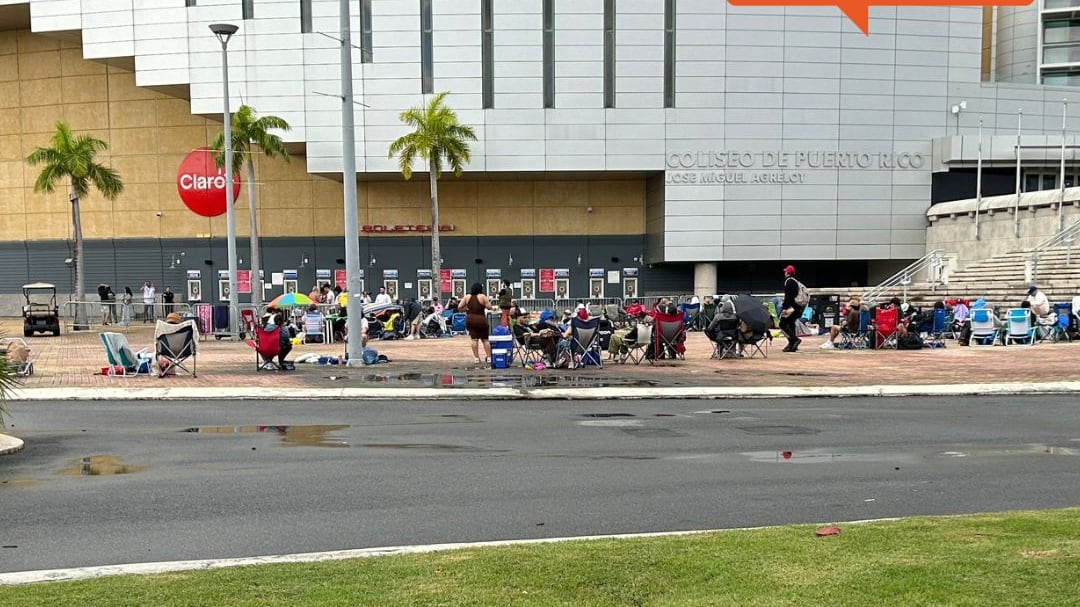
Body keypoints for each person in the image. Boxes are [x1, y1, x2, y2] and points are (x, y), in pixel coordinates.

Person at [458, 282, 493, 365]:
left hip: (470, 319)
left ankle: (476, 358)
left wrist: (467, 309)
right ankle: (489, 358)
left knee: (474, 339)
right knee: (485, 339)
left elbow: (459, 307)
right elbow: (489, 307)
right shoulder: (483, 297)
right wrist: (488, 302)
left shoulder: (467, 297)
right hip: (481, 319)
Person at [780, 265, 804, 352]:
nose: (785, 273)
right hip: (797, 306)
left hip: (791, 307)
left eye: (785, 271)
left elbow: (788, 297)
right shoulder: (795, 281)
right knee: (790, 324)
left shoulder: (789, 281)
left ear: (787, 273)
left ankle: (794, 340)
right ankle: (792, 345)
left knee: (782, 324)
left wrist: (785, 308)